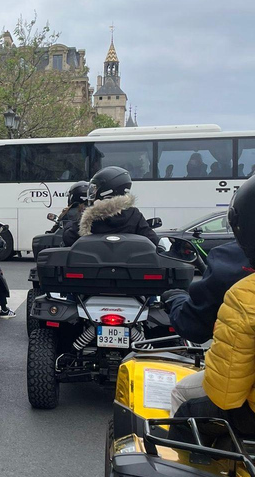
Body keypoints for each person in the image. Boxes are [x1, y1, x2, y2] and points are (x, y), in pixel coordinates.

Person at [170, 176, 255, 440]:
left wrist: (173, 299)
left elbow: (226, 392)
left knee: (183, 395)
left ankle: (191, 475)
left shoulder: (245, 294)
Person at [62, 166, 160, 247]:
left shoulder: (90, 216)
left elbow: (68, 239)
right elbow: (153, 240)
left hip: (92, 267)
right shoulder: (134, 215)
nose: (93, 192)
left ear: (106, 190)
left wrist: (70, 224)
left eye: (95, 188)